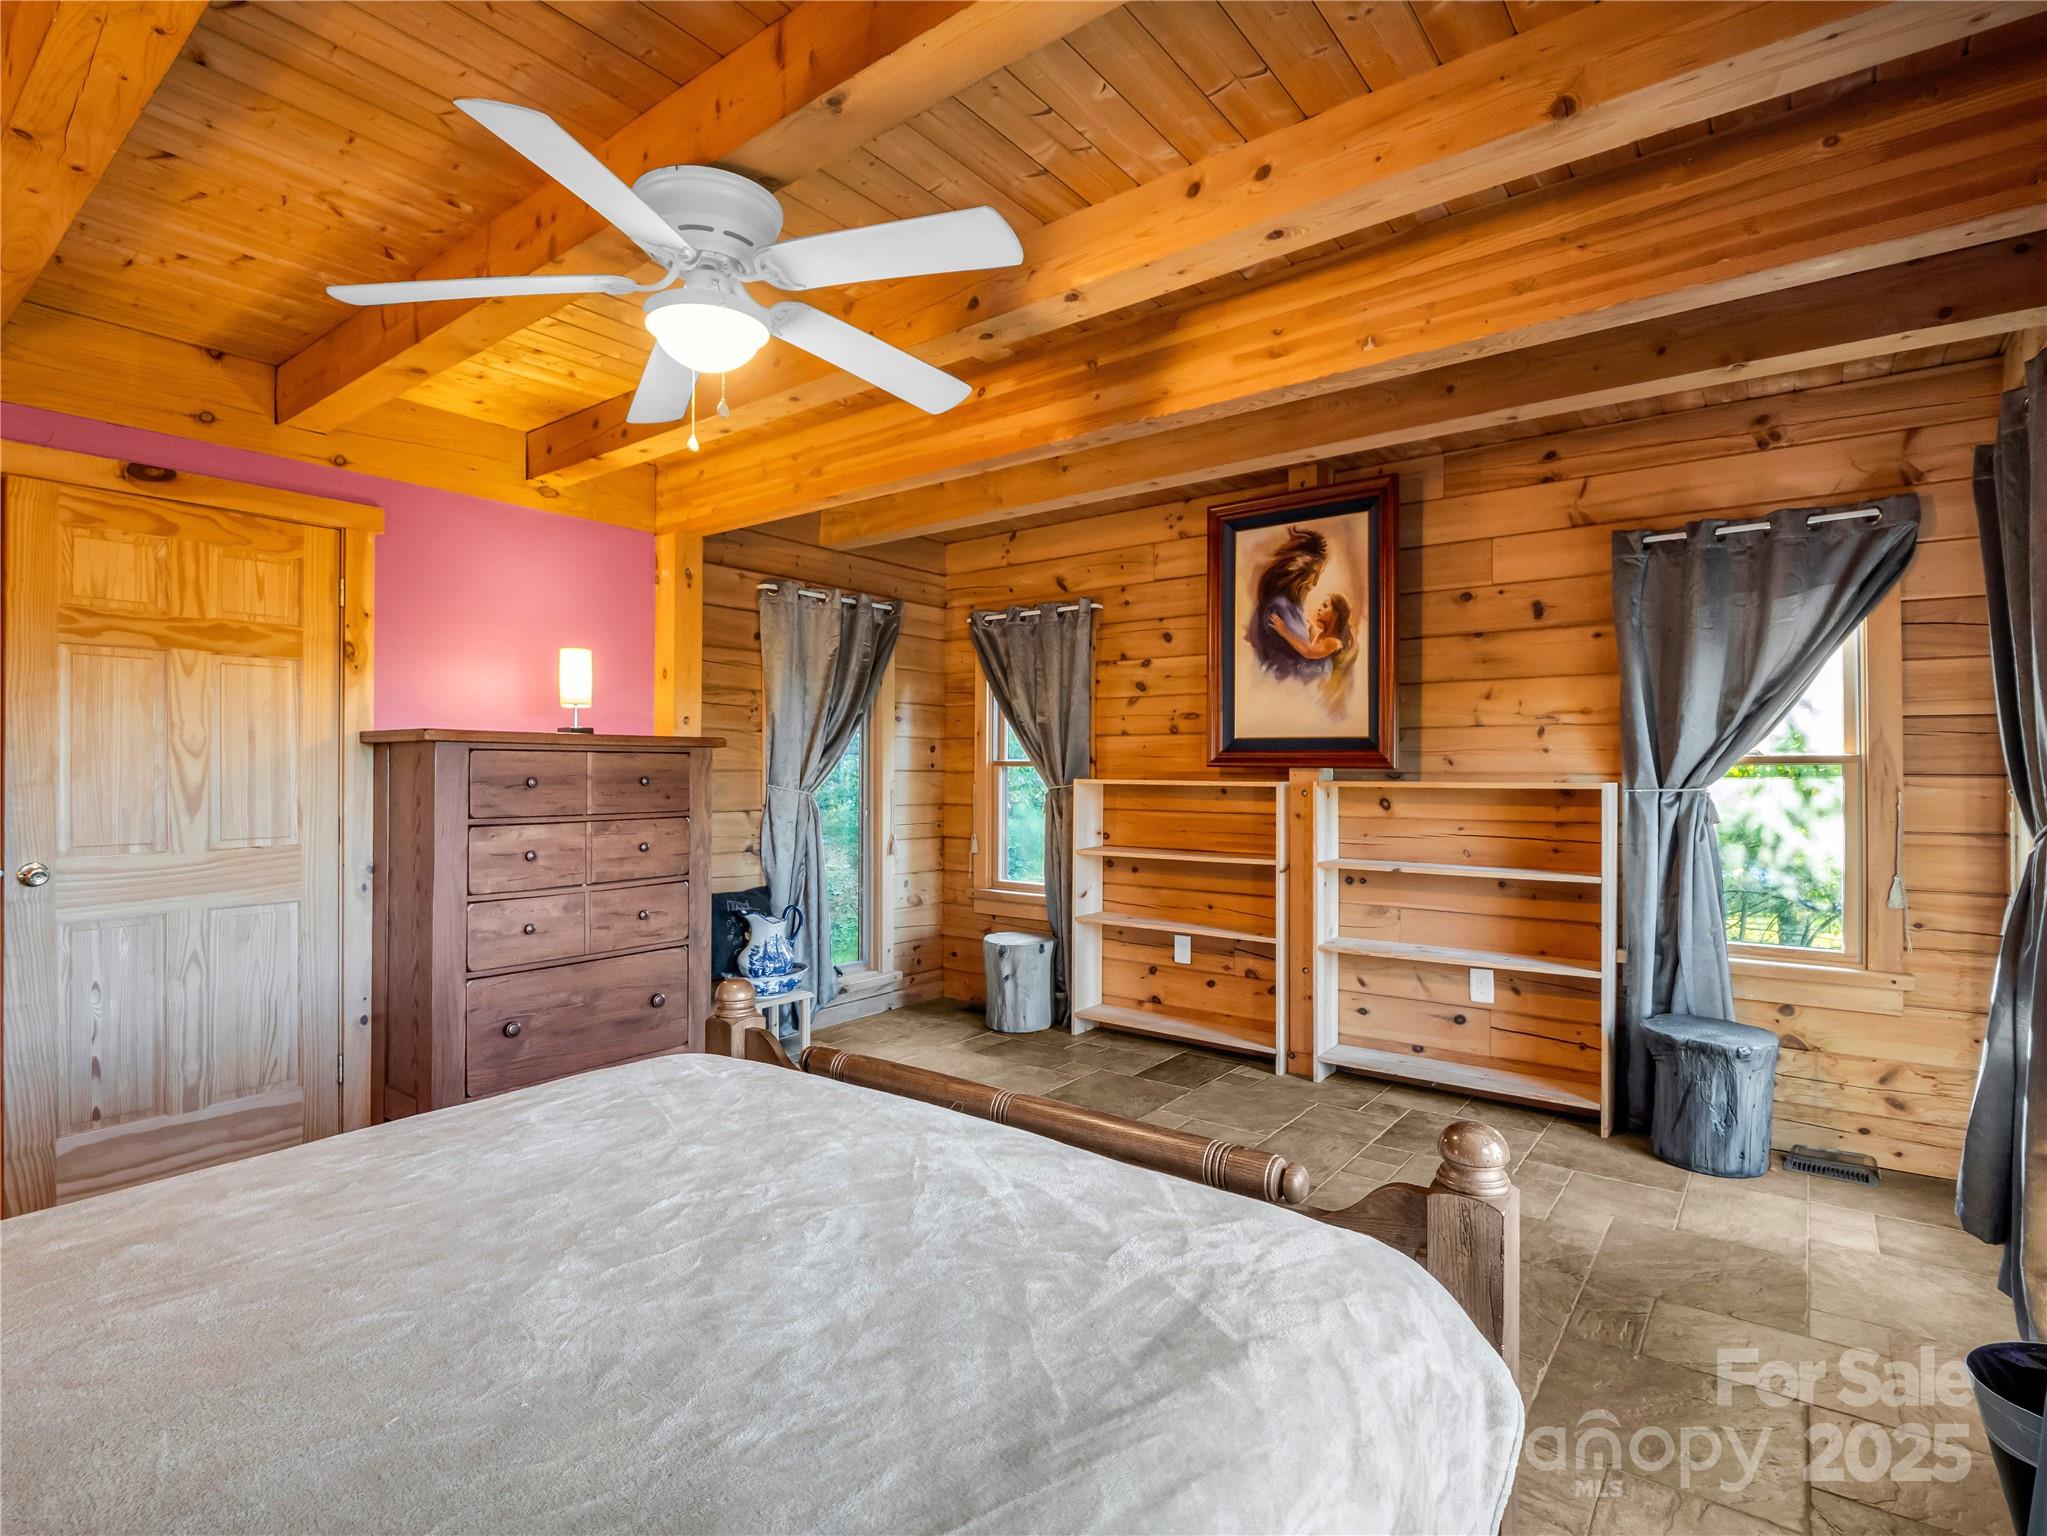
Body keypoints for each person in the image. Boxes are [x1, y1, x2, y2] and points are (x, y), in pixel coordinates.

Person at [1246, 527, 1329, 681]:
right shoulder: (1279, 607)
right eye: (1315, 575)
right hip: (1285, 681)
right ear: (1300, 575)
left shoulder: (1289, 606)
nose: (1315, 584)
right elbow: (1301, 654)